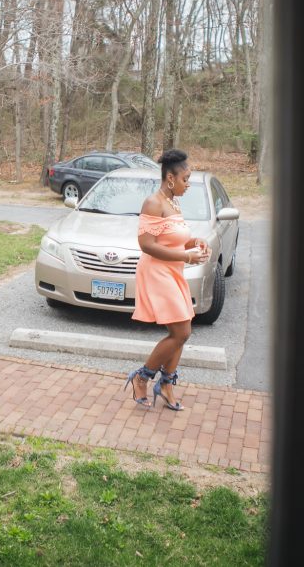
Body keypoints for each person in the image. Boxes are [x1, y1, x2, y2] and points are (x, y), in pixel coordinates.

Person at [124, 149, 210, 411]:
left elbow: (175, 238)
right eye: (186, 179)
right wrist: (186, 256)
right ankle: (143, 377)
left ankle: (167, 384)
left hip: (173, 271)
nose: (188, 184)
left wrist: (196, 243)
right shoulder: (154, 202)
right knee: (182, 331)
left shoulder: (174, 202)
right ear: (170, 179)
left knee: (180, 333)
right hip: (157, 272)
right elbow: (146, 245)